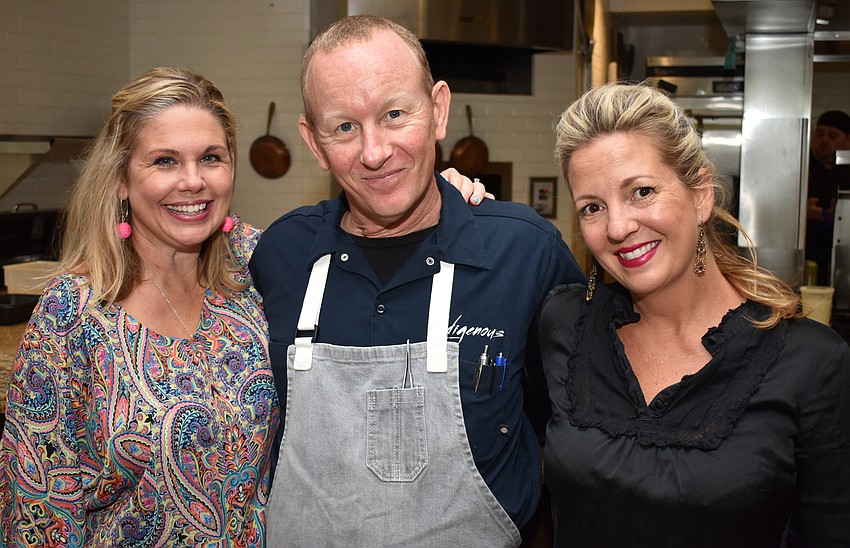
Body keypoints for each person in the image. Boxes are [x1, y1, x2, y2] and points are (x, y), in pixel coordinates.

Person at [0, 66, 487, 546]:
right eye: (165, 161)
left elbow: (374, 256)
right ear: (121, 179)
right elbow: (37, 508)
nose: (193, 182)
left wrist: (437, 199)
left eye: (210, 157)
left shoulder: (263, 263)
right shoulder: (74, 313)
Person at [248, 14, 585, 547]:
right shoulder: (279, 256)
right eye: (344, 127)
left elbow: (574, 431)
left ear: (438, 109)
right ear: (313, 143)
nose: (375, 151)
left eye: (395, 114)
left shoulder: (523, 252)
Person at [533, 83, 850, 547]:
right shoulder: (563, 324)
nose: (618, 227)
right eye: (593, 208)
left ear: (701, 194)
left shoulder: (811, 362)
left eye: (642, 191)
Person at [806, 110, 850, 286]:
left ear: (848, 140)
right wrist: (803, 213)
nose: (824, 140)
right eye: (820, 133)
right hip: (808, 257)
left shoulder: (845, 171)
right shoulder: (801, 166)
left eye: (832, 136)